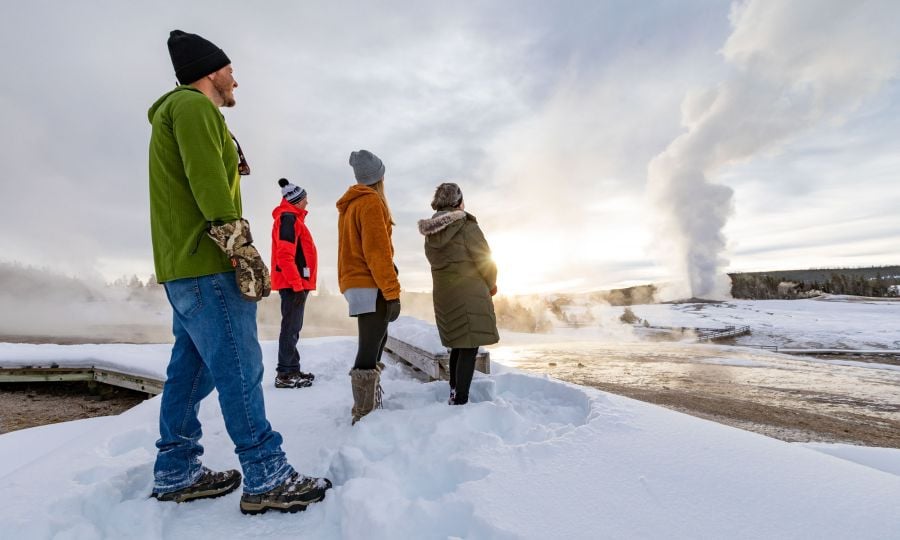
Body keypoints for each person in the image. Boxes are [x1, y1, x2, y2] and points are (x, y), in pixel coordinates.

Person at [147, 29, 330, 514]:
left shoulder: (178, 111)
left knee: (192, 369)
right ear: (211, 72)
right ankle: (265, 473)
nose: (235, 80)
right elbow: (207, 177)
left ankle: (176, 467)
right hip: (208, 264)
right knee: (241, 367)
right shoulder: (192, 107)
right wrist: (239, 247)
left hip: (184, 266)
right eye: (229, 70)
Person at [417, 183, 499, 405]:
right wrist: (492, 284)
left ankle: (454, 392)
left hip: (445, 295)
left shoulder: (431, 232)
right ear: (458, 202)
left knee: (458, 343)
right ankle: (460, 399)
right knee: (469, 345)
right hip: (469, 292)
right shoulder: (465, 224)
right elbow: (485, 258)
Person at [336, 150, 401, 424]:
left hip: (356, 281)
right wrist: (392, 291)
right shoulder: (371, 203)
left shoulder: (352, 204)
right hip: (369, 281)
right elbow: (377, 252)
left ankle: (368, 402)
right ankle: (363, 413)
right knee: (370, 344)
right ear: (379, 177)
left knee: (377, 339)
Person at [271, 178, 318, 388]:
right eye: (305, 198)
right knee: (290, 327)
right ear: (297, 200)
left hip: (295, 282)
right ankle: (285, 374)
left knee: (293, 326)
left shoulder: (292, 219)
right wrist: (297, 284)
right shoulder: (289, 219)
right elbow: (284, 255)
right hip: (293, 283)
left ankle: (292, 369)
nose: (307, 202)